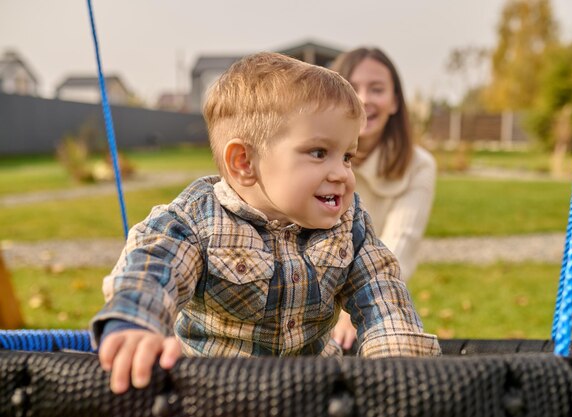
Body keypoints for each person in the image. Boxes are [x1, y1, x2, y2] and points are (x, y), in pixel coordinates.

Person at [89, 52, 441, 394]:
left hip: (312, 394)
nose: (342, 174)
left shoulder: (348, 226)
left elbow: (381, 292)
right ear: (244, 162)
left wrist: (397, 363)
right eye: (319, 153)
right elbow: (154, 265)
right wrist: (135, 321)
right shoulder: (198, 221)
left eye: (347, 155)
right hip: (211, 395)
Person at [330, 47, 437, 351]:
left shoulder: (418, 165)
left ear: (394, 101)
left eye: (377, 89)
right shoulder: (313, 158)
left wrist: (358, 309)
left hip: (377, 300)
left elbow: (399, 243)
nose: (364, 99)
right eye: (352, 88)